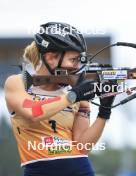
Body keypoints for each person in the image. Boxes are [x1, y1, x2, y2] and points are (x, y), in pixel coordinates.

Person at [4, 22, 115, 176]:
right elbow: (33, 112)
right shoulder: (18, 82)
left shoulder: (74, 90)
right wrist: (73, 95)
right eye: (73, 60)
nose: (77, 67)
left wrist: (104, 111)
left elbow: (82, 147)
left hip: (80, 169)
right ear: (50, 57)